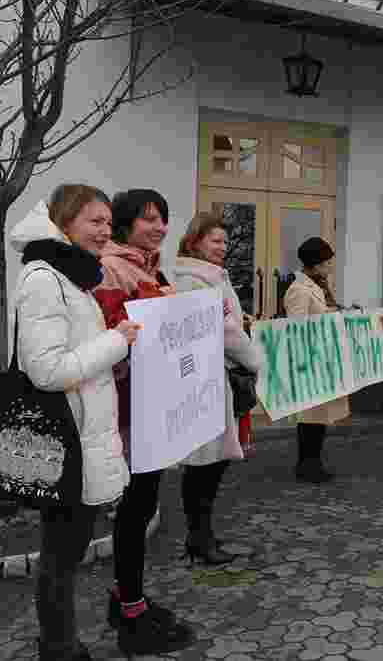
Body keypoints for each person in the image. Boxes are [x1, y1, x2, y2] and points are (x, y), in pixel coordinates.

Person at [9, 186, 141, 661]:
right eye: (95, 221)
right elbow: (45, 369)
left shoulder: (70, 276)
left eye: (109, 222)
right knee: (61, 555)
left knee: (67, 550)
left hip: (81, 436)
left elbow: (77, 360)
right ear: (65, 223)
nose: (106, 231)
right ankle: (58, 648)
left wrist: (111, 352)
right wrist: (115, 343)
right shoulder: (44, 278)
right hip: (67, 441)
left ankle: (61, 643)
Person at [92, 188, 195, 655]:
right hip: (132, 407)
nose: (158, 227)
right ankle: (131, 613)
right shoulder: (114, 267)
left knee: (144, 501)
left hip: (154, 405)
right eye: (148, 219)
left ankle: (124, 597)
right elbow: (116, 334)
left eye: (163, 218)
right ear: (125, 223)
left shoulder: (149, 267)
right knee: (135, 509)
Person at [169, 214, 264, 564]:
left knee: (212, 463)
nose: (222, 248)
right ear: (195, 242)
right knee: (204, 465)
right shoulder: (196, 281)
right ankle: (198, 539)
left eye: (225, 241)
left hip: (214, 379)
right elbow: (223, 330)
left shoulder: (208, 277)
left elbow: (229, 322)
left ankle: (202, 535)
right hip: (206, 381)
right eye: (215, 241)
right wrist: (254, 357)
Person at [283, 237, 350, 482]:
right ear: (316, 263)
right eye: (327, 262)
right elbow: (298, 326)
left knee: (319, 417)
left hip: (322, 359)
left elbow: (318, 315)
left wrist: (338, 312)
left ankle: (312, 461)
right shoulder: (299, 290)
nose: (330, 266)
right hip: (309, 360)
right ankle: (307, 464)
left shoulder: (315, 286)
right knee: (311, 418)